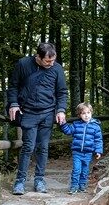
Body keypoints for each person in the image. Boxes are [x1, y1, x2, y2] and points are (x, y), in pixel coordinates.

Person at [7, 42, 68, 195]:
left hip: (48, 113)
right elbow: (13, 86)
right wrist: (13, 103)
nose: (51, 64)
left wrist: (61, 110)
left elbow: (62, 92)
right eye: (48, 61)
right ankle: (20, 181)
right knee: (28, 147)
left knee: (43, 147)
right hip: (28, 112)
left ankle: (39, 180)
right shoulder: (23, 64)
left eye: (53, 60)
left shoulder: (57, 69)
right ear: (38, 57)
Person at [60, 102, 103, 194]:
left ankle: (82, 186)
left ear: (91, 113)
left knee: (85, 170)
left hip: (88, 153)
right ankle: (74, 186)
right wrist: (63, 123)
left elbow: (98, 140)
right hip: (77, 152)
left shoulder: (96, 126)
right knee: (76, 169)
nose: (86, 115)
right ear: (79, 115)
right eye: (83, 113)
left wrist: (98, 151)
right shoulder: (76, 125)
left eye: (88, 113)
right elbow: (68, 131)